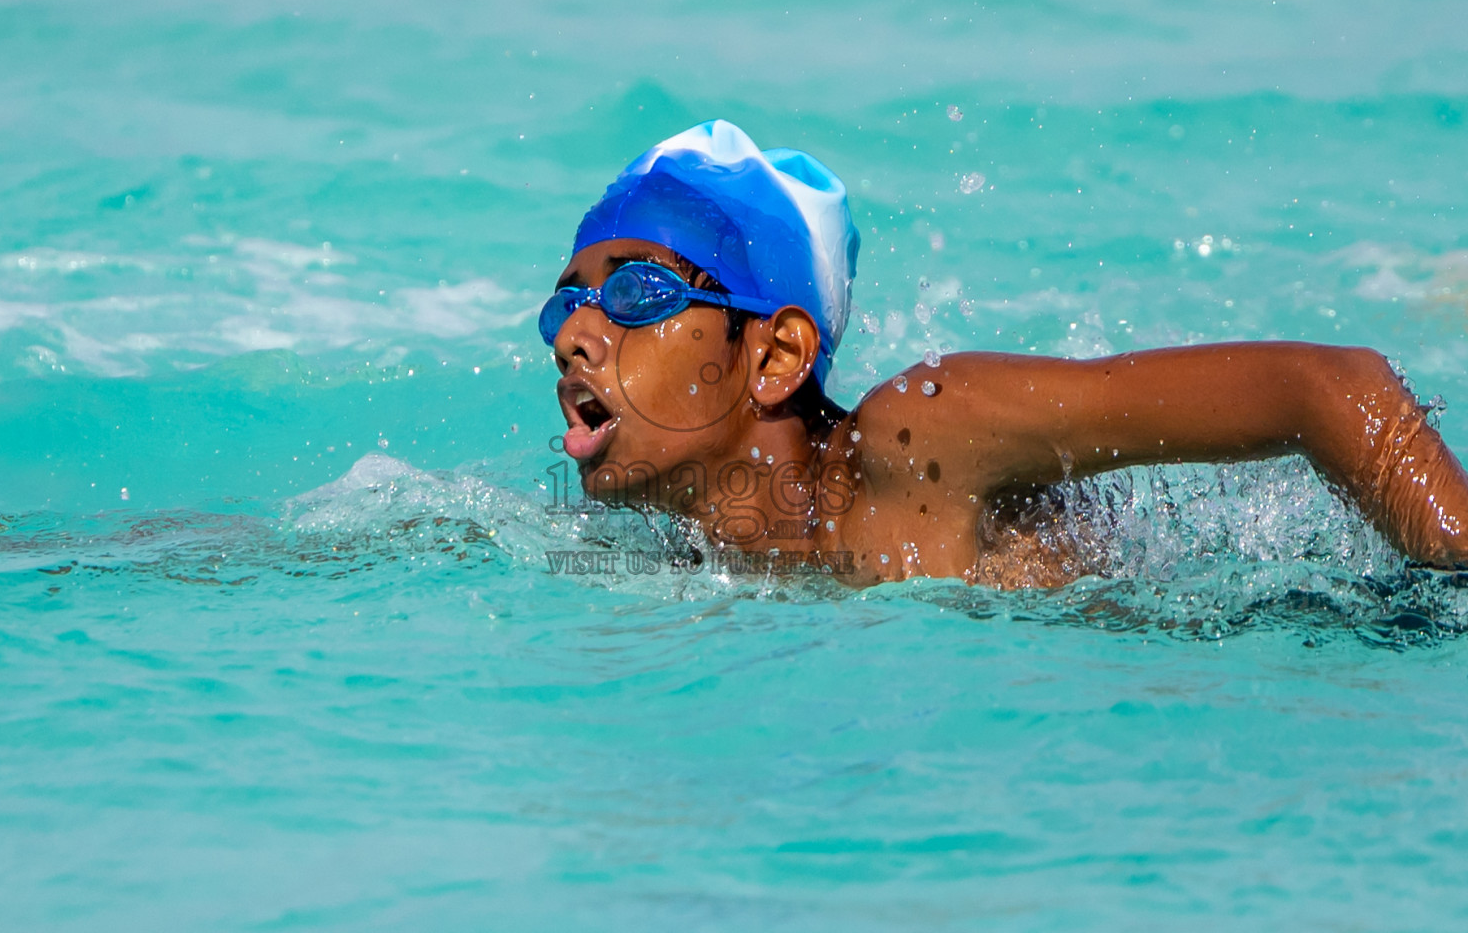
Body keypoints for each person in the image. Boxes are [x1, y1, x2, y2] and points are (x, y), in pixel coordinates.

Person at [541, 120, 1468, 587]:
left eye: (637, 292)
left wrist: (1453, 566)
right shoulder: (682, 556)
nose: (578, 333)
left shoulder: (920, 444)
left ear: (777, 355)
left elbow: (1328, 386)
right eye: (567, 303)